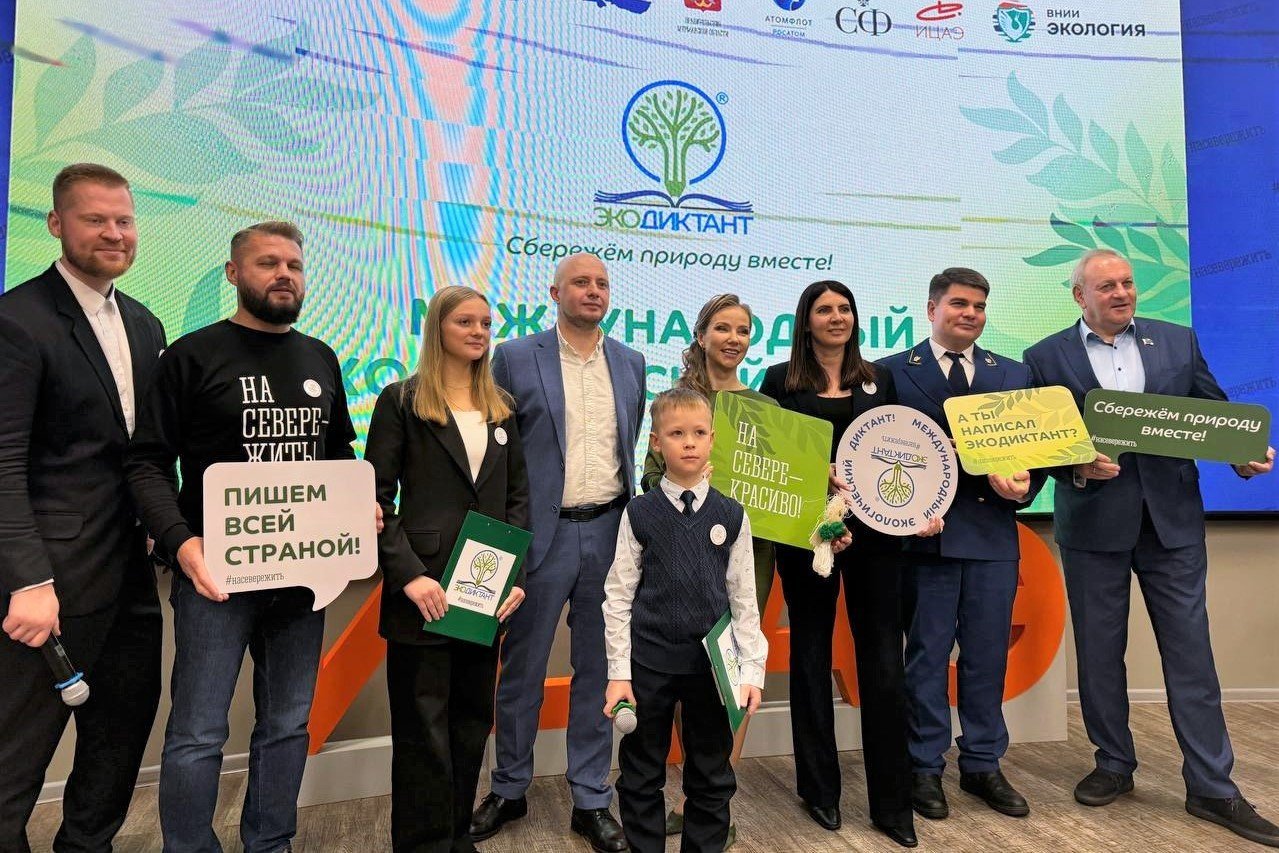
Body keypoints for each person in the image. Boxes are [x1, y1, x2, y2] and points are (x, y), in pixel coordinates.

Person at [1023, 248, 1277, 848]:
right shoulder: (1044, 356)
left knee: (1192, 655)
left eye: (1128, 283)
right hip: (1092, 524)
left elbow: (1214, 416)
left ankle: (1212, 786)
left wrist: (1243, 456)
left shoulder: (1178, 341)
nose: (1122, 293)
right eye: (1106, 286)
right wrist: (1075, 466)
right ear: (1079, 296)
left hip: (1173, 523)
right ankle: (1113, 763)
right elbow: (1037, 444)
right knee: (1099, 652)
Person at [125, 221, 359, 853]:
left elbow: (339, 455)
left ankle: (270, 843)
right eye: (267, 263)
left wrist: (356, 508)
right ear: (234, 273)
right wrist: (181, 542)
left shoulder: (320, 356)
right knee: (198, 734)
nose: (284, 274)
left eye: (294, 265)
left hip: (303, 581)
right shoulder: (191, 356)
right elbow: (147, 462)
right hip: (215, 580)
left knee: (287, 726)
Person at [0, 163, 166, 852]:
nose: (113, 233)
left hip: (132, 581)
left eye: (123, 220)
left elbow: (146, 452)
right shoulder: (17, 320)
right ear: (56, 224)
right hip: (50, 589)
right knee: (14, 761)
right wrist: (28, 581)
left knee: (118, 741)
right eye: (95, 219)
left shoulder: (145, 323)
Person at [472, 252, 645, 852]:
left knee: (599, 671)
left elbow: (629, 444)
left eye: (602, 283)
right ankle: (509, 787)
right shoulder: (516, 357)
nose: (593, 291)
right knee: (522, 667)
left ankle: (591, 797)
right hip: (539, 537)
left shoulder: (631, 362)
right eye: (580, 282)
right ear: (554, 292)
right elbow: (497, 450)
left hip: (611, 533)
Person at [760, 279, 931, 849]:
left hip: (878, 539)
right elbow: (771, 460)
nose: (837, 317)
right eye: (824, 309)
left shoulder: (881, 380)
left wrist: (922, 507)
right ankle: (819, 790)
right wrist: (818, 477)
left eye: (845, 308)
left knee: (883, 660)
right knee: (810, 655)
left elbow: (903, 449)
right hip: (808, 536)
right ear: (805, 321)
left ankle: (892, 803)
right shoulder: (778, 382)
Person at [365, 285, 529, 853]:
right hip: (423, 591)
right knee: (422, 731)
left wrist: (514, 580)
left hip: (484, 593)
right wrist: (408, 575)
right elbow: (374, 500)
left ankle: (458, 838)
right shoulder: (401, 400)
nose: (479, 331)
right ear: (437, 327)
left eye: (485, 323)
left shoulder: (502, 406)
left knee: (469, 722)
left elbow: (517, 501)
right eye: (465, 321)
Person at [879, 268, 1045, 822]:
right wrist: (905, 513)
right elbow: (880, 452)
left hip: (993, 537)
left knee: (987, 656)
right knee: (927, 658)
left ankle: (982, 764)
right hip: (925, 542)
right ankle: (924, 766)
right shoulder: (891, 372)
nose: (970, 313)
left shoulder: (1014, 373)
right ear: (932, 310)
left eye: (978, 305)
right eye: (958, 304)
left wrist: (1025, 486)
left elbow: (1037, 453)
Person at [602, 387, 768, 853]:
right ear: (657, 443)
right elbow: (618, 596)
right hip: (649, 665)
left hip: (710, 670)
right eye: (676, 434)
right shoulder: (639, 513)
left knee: (712, 775)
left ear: (712, 439)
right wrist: (619, 673)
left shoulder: (732, 515)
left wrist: (751, 671)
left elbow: (744, 600)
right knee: (640, 773)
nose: (689, 442)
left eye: (698, 433)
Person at [639, 294, 775, 847]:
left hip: (748, 558)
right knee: (686, 674)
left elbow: (783, 487)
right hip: (680, 558)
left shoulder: (765, 408)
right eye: (723, 328)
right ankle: (688, 792)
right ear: (702, 335)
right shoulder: (677, 402)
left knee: (730, 673)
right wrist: (692, 489)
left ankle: (717, 796)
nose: (733, 339)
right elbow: (650, 479)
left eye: (743, 330)